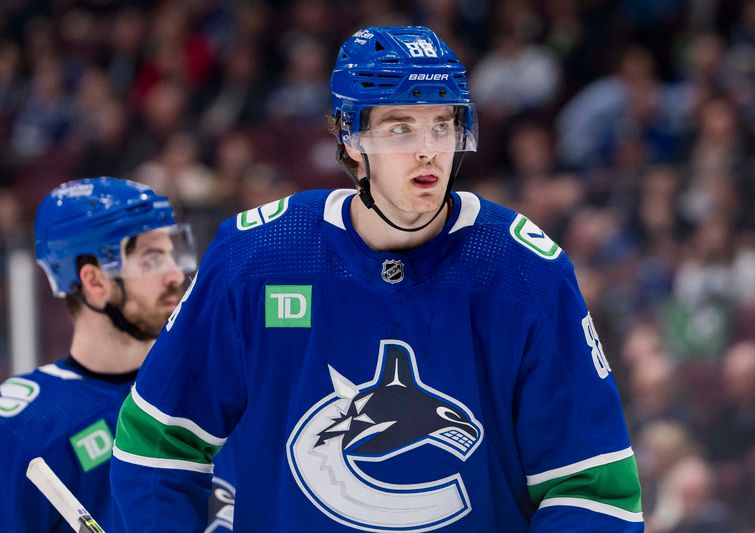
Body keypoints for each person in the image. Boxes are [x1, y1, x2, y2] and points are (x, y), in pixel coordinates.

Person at [111, 26, 643, 531]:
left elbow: (593, 487)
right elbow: (159, 440)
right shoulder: (258, 257)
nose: (428, 149)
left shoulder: (525, 273)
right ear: (350, 138)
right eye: (399, 127)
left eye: (442, 124)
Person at [0, 177, 203, 531]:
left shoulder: (217, 394)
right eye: (151, 259)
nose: (175, 274)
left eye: (173, 252)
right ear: (95, 282)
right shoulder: (23, 427)